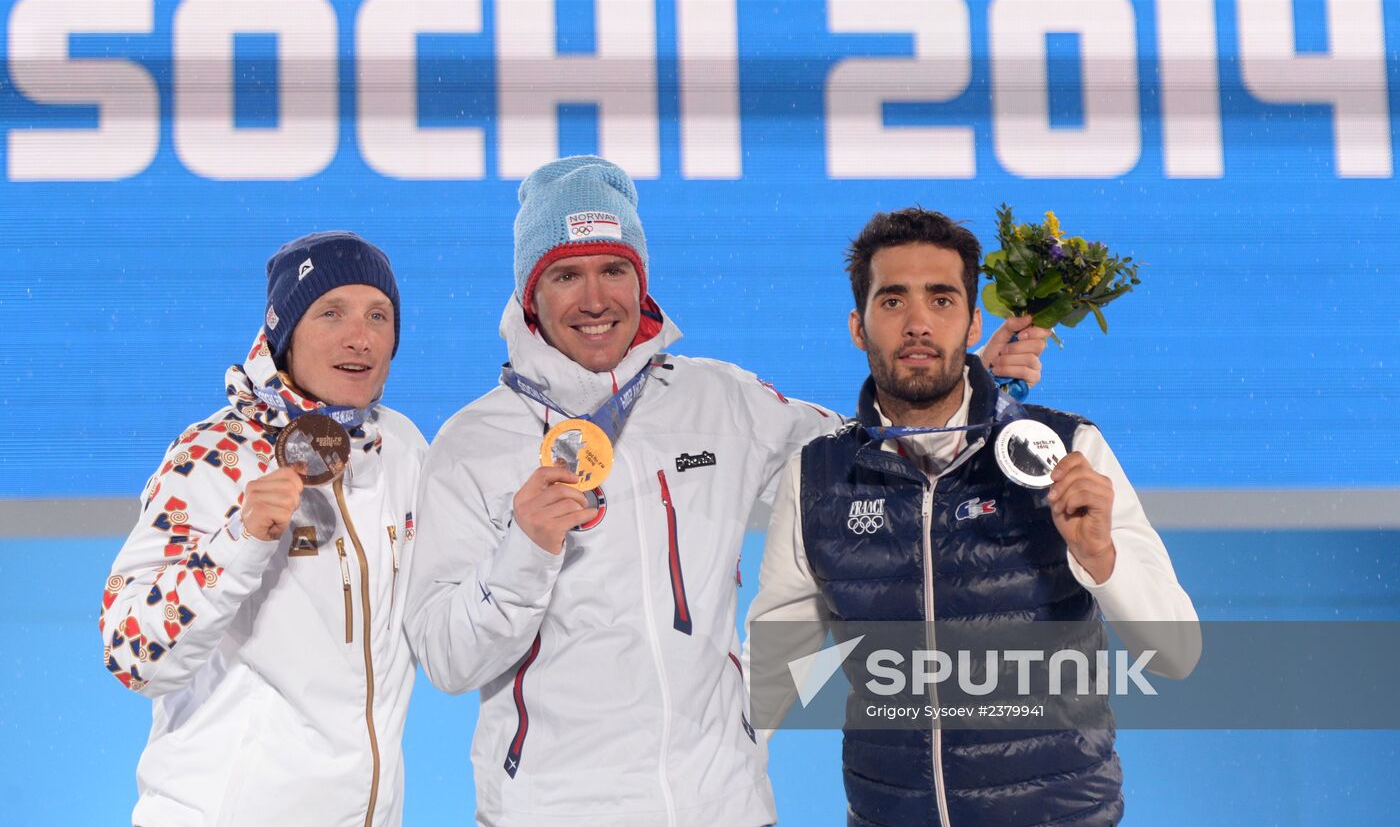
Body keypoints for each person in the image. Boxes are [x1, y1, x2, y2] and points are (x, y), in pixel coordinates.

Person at [403, 157, 1046, 826]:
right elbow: (448, 660)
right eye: (566, 275)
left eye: (614, 270)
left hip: (722, 804)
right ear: (530, 293)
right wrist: (524, 552)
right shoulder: (471, 445)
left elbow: (876, 462)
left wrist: (968, 387)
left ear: (641, 280)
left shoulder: (718, 400)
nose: (595, 301)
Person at [744, 208, 1202, 826]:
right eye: (892, 301)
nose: (917, 323)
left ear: (973, 320)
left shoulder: (1067, 451)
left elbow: (1177, 651)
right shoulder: (820, 478)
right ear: (859, 326)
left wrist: (1102, 561)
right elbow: (769, 676)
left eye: (941, 299)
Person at [100, 232, 427, 827]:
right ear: (284, 334)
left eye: (378, 315)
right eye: (332, 312)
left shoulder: (400, 449)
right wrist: (241, 539)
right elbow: (131, 651)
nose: (361, 337)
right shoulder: (213, 457)